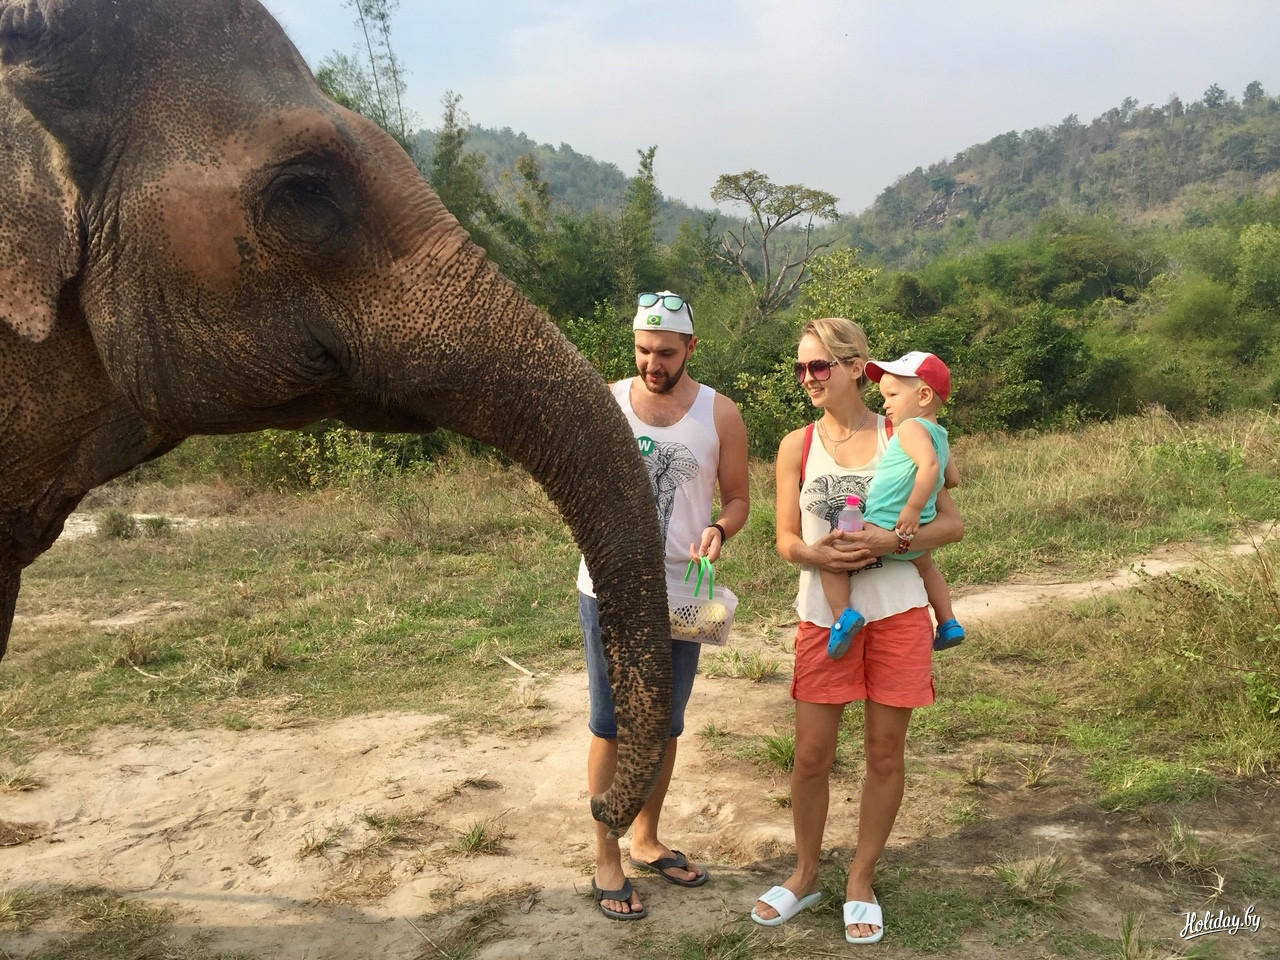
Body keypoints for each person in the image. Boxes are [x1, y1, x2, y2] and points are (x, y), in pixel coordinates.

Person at [751, 317, 963, 944]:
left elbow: (950, 524)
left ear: (854, 367)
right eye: (800, 368)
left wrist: (891, 538)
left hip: (897, 613)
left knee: (883, 753)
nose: (808, 379)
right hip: (824, 615)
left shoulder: (906, 429)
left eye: (819, 366)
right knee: (812, 755)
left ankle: (861, 879)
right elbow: (786, 539)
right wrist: (818, 556)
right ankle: (806, 872)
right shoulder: (796, 444)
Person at [576, 290, 750, 921]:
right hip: (609, 587)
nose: (654, 363)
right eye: (645, 350)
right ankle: (606, 854)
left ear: (691, 349)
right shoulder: (608, 401)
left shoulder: (720, 413)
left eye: (667, 353)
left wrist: (721, 530)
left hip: (683, 593)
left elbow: (737, 500)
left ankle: (646, 838)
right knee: (610, 721)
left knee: (667, 720)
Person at [820, 351, 965, 656]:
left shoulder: (910, 429)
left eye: (892, 395)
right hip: (917, 531)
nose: (885, 403)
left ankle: (842, 616)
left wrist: (910, 508)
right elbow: (952, 478)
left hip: (888, 520)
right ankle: (948, 621)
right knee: (927, 566)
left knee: (832, 557)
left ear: (923, 395)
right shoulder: (941, 435)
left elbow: (930, 467)